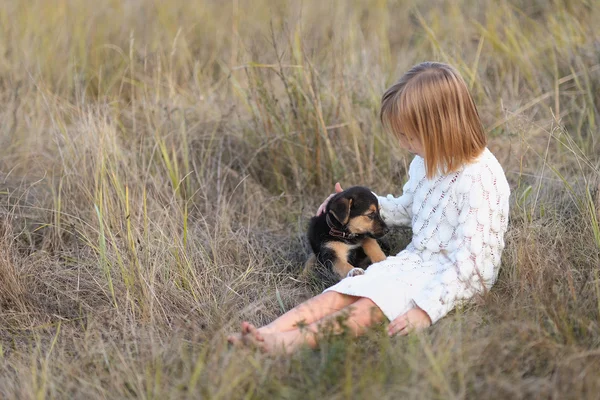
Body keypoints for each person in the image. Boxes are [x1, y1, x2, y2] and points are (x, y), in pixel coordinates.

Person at [228, 62, 511, 353]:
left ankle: (285, 344)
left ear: (439, 128)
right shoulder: (426, 163)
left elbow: (476, 263)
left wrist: (427, 310)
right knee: (343, 292)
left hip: (451, 277)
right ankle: (265, 333)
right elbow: (407, 209)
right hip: (414, 262)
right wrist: (355, 209)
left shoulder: (481, 179)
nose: (403, 144)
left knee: (367, 307)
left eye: (409, 136)